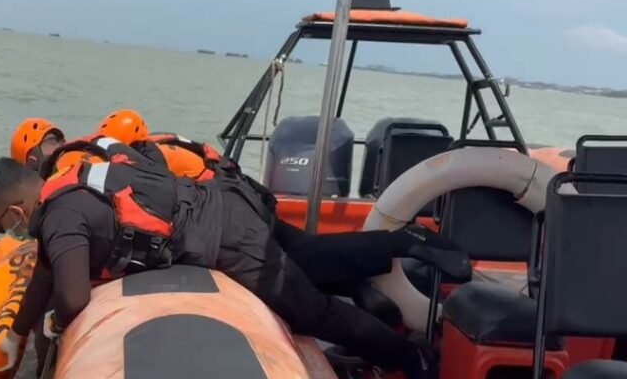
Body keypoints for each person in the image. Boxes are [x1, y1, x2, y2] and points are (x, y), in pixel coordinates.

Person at [0, 137, 443, 379]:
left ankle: (408, 354)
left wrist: (51, 328)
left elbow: (71, 299)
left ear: (14, 210)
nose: (4, 231)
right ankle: (401, 244)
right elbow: (47, 277)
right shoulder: (69, 187)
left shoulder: (60, 216)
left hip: (225, 236)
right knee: (314, 261)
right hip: (224, 208)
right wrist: (14, 333)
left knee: (310, 312)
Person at [92, 109, 471, 293]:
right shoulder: (167, 146)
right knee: (310, 256)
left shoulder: (152, 160)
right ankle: (371, 276)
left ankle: (406, 241)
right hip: (246, 204)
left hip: (240, 215)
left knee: (307, 259)